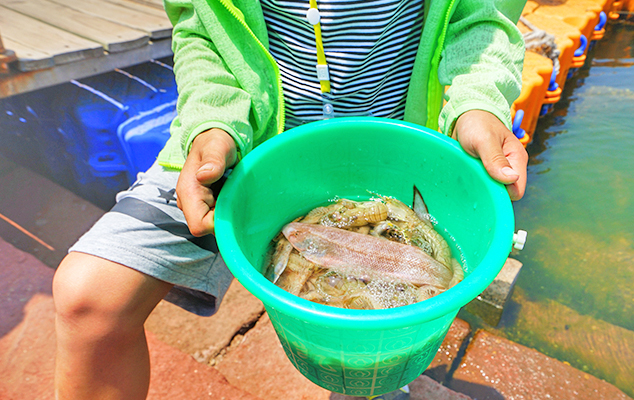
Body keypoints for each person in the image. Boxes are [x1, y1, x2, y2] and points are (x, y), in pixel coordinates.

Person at [52, 0, 528, 399]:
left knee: (368, 363)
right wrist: (212, 123)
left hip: (395, 153)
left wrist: (479, 104)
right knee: (88, 298)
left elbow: (482, 18)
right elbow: (200, 29)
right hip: (242, 147)